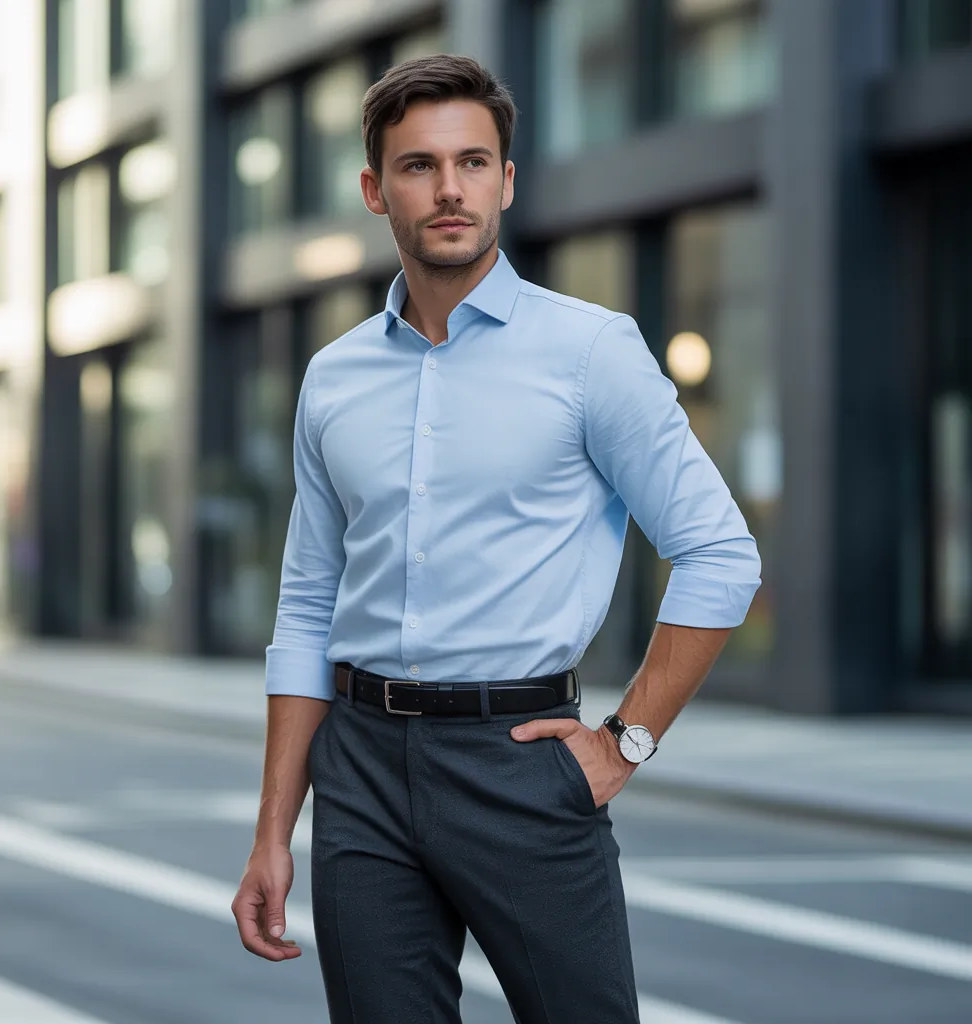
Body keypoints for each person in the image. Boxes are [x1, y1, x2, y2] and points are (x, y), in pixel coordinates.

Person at [232, 53, 761, 1024]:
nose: (448, 189)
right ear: (372, 189)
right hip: (357, 772)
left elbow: (720, 551)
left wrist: (621, 744)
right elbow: (306, 606)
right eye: (418, 166)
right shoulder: (333, 377)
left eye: (473, 162)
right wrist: (274, 831)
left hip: (520, 764)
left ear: (506, 182)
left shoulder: (589, 351)